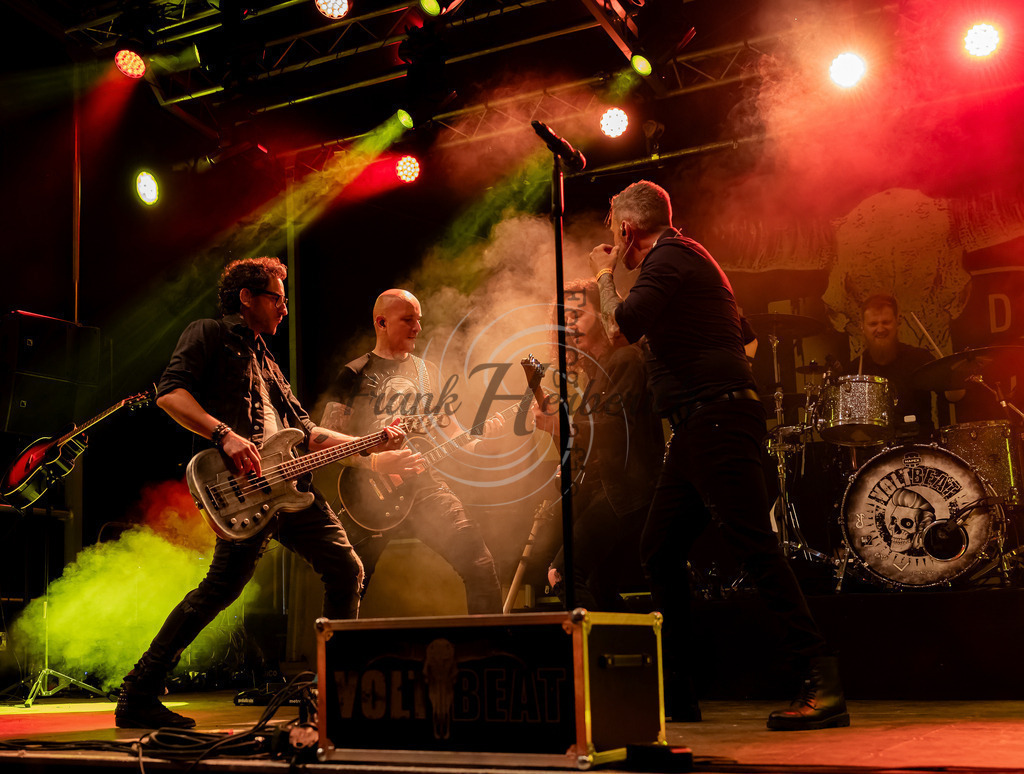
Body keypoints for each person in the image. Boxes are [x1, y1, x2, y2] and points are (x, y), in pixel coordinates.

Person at [588, 180, 848, 731]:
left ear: (627, 230)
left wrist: (604, 276)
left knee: (755, 547)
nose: (612, 241)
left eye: (613, 230)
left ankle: (821, 679)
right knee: (660, 548)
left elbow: (617, 328)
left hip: (715, 420)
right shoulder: (685, 261)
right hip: (699, 424)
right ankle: (679, 691)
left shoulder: (669, 257)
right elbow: (745, 337)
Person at [115, 257, 403, 729]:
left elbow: (308, 434)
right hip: (242, 489)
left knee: (346, 569)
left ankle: (333, 692)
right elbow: (170, 394)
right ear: (246, 297)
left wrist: (372, 445)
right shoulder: (208, 333)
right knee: (220, 590)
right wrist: (223, 434)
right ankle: (140, 691)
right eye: (277, 299)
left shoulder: (267, 361)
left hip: (290, 488)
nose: (285, 309)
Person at [324, 289, 503, 615]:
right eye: (408, 320)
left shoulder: (427, 372)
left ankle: (487, 644)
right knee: (348, 583)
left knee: (480, 564)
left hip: (424, 489)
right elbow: (328, 443)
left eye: (418, 320)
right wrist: (375, 463)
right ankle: (335, 648)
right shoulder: (353, 374)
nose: (418, 328)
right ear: (381, 322)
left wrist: (482, 442)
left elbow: (452, 433)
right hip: (366, 497)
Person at [534, 278, 664, 610]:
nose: (569, 324)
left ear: (604, 316)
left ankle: (595, 645)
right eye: (564, 318)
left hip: (624, 492)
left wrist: (563, 424)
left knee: (562, 573)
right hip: (611, 489)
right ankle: (621, 641)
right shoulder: (597, 373)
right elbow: (589, 440)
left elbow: (616, 429)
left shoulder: (626, 358)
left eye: (577, 314)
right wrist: (557, 432)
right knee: (600, 587)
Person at [850, 294, 935, 437]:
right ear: (862, 327)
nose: (880, 329)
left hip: (921, 445)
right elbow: (853, 428)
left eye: (886, 322)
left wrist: (955, 382)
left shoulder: (920, 359)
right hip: (876, 448)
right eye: (873, 324)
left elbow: (950, 394)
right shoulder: (855, 370)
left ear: (897, 322)